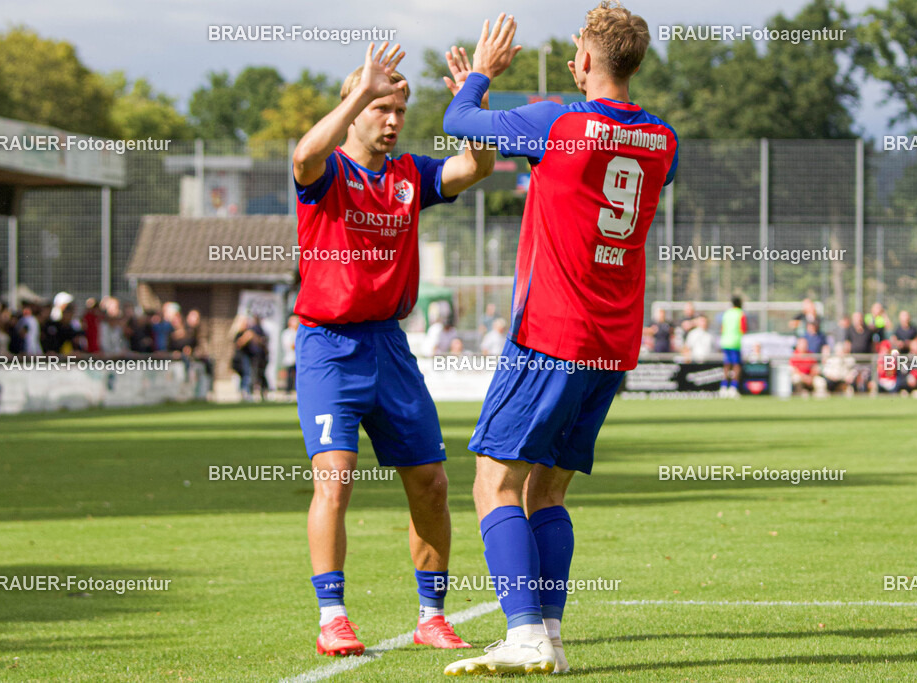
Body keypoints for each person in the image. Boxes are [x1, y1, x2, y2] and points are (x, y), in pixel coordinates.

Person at [442, 5, 677, 674]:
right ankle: (548, 633)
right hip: (613, 341)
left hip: (551, 331)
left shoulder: (557, 121)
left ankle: (522, 633)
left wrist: (480, 76)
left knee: (494, 481)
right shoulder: (664, 139)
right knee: (548, 491)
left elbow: (458, 124)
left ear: (584, 62)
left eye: (576, 50)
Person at [291, 39, 495, 656]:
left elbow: (476, 168)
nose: (393, 121)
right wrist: (360, 88)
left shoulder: (411, 175)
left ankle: (431, 616)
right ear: (353, 110)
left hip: (390, 347)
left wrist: (475, 93)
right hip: (328, 347)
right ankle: (332, 617)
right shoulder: (326, 171)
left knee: (432, 484)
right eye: (382, 107)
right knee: (336, 481)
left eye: (400, 111)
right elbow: (302, 154)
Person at [719, 296, 747, 397]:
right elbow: (743, 329)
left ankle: (723, 387)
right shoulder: (740, 313)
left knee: (727, 365)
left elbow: (722, 328)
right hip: (735, 342)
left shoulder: (726, 313)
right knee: (736, 365)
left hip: (725, 342)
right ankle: (733, 388)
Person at [280, 314, 298, 396]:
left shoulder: (298, 332)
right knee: (290, 376)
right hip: (290, 358)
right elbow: (290, 345)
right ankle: (288, 391)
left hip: (298, 358)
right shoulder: (287, 333)